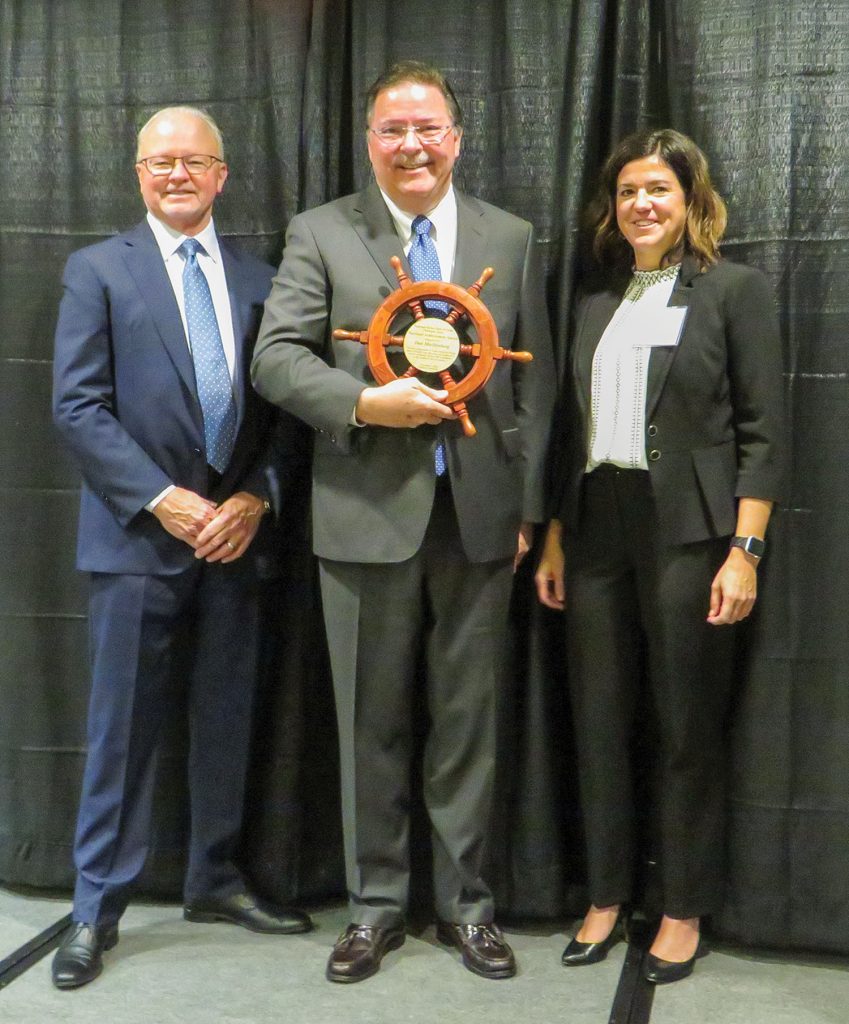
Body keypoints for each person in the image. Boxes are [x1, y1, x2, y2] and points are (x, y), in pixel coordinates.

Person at [252, 60, 554, 983]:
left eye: (427, 128)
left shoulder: (512, 235)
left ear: (456, 138)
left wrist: (528, 513)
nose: (411, 144)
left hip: (477, 522)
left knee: (469, 725)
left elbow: (533, 390)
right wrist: (365, 404)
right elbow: (274, 360)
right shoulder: (320, 233)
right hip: (362, 518)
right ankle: (374, 908)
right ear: (368, 141)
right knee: (367, 725)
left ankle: (469, 908)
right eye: (392, 130)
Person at [51, 106, 311, 990]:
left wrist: (252, 499)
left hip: (235, 544)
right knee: (120, 736)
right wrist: (164, 502)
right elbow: (77, 406)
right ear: (137, 174)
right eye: (160, 162)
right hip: (136, 542)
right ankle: (95, 909)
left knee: (227, 722)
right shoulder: (97, 272)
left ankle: (215, 878)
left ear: (222, 175)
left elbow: (284, 418)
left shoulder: (263, 277)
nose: (176, 175)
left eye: (194, 162)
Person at [535, 128, 784, 985]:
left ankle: (680, 908)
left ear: (690, 202)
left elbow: (762, 433)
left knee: (683, 729)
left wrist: (744, 550)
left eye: (660, 191)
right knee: (598, 720)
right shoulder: (593, 301)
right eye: (629, 191)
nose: (642, 204)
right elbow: (573, 432)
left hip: (690, 531)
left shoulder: (732, 293)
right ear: (611, 205)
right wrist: (559, 538)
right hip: (596, 526)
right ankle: (606, 896)